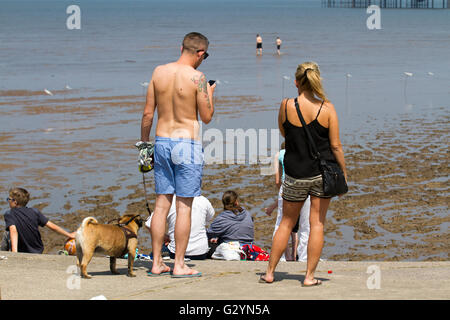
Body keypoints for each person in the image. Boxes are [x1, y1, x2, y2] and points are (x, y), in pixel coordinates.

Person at [260, 62, 347, 286]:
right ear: (317, 80)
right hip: (321, 173)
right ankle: (309, 277)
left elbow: (284, 132)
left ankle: (270, 272)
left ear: (297, 82)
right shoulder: (327, 108)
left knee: (286, 224)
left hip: (295, 173)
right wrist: (343, 175)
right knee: (317, 224)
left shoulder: (286, 105)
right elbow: (336, 146)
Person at [140, 32, 215, 277]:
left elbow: (148, 115)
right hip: (187, 143)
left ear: (180, 47)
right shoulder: (198, 77)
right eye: (205, 56)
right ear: (200, 54)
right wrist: (210, 95)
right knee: (184, 207)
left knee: (162, 206)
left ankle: (156, 262)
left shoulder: (158, 72)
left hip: (161, 140)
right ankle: (179, 264)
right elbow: (206, 116)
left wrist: (144, 145)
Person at [265, 142, 311, 262]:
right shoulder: (305, 150)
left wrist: (281, 189)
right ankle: (303, 258)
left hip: (287, 186)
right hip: (305, 186)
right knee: (305, 225)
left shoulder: (279, 154)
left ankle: (280, 257)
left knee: (280, 223)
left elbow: (277, 180)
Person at [3, 188, 76, 254]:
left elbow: (13, 230)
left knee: (6, 233)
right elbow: (52, 226)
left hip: (22, 251)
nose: (8, 201)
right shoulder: (35, 211)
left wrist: (15, 252)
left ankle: (2, 253)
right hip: (37, 250)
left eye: (8, 199)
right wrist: (69, 235)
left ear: (14, 202)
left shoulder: (9, 213)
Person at [145, 195, 215, 261]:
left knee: (157, 250)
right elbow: (209, 217)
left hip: (175, 253)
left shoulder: (169, 201)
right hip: (201, 253)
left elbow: (149, 224)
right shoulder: (203, 200)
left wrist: (165, 237)